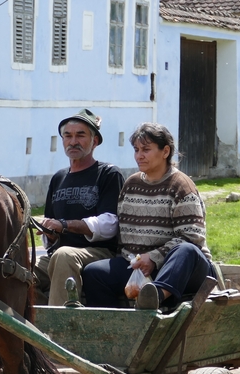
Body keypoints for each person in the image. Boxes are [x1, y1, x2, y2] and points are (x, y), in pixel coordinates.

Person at [81, 123, 211, 311]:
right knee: (94, 273)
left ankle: (154, 297)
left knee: (186, 250)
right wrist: (135, 262)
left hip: (182, 269)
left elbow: (192, 237)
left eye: (146, 150)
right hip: (140, 267)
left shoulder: (181, 186)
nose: (139, 156)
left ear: (165, 151)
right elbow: (123, 236)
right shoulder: (131, 185)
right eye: (136, 150)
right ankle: (113, 324)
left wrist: (154, 258)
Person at [35, 109, 125, 306]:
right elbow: (52, 224)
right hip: (59, 255)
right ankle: (32, 322)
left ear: (95, 141)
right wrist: (50, 233)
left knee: (64, 255)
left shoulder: (108, 174)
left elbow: (110, 224)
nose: (73, 141)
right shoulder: (58, 178)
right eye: (68, 136)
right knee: (19, 271)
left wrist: (65, 225)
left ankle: (60, 322)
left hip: (99, 253)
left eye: (80, 135)